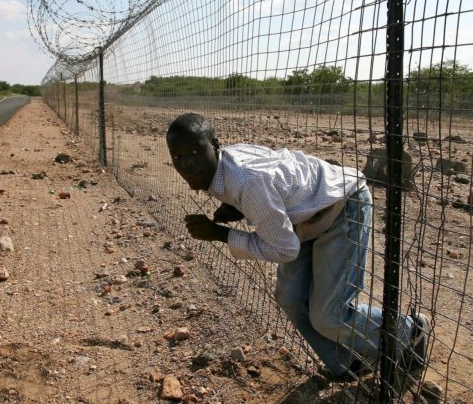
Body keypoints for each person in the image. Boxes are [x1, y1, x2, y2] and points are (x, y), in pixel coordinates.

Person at [165, 112, 429, 392]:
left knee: (329, 315)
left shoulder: (247, 182)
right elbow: (272, 184)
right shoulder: (225, 167)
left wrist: (221, 234)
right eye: (178, 157)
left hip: (341, 206)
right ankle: (350, 362)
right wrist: (239, 208)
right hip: (306, 214)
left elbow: (284, 248)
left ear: (215, 145)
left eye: (195, 151)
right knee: (290, 298)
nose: (188, 164)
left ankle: (410, 331)